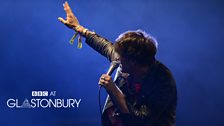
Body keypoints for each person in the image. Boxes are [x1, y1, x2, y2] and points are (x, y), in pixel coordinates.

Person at [58, 2, 177, 126]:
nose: (116, 58)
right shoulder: (123, 60)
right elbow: (104, 46)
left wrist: (114, 91)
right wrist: (79, 28)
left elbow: (141, 120)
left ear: (133, 61)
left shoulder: (163, 81)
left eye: (120, 56)